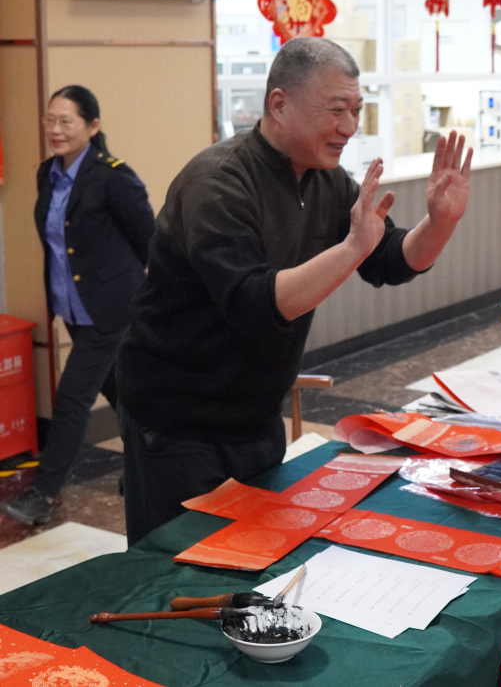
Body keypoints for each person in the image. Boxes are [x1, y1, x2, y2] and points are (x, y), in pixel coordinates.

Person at [115, 38, 473, 545]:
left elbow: (391, 260)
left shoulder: (327, 181)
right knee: (179, 567)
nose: (349, 127)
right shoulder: (218, 182)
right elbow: (254, 304)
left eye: (357, 110)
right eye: (336, 110)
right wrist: (351, 248)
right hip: (177, 423)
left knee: (255, 558)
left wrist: (440, 222)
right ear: (280, 104)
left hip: (256, 415)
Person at [1, 86, 155, 526]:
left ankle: (43, 493)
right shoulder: (47, 174)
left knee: (71, 399)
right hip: (72, 308)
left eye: (65, 121)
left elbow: (150, 241)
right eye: (50, 120)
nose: (55, 129)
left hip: (111, 309)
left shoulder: (112, 177)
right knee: (120, 392)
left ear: (92, 126)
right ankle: (151, 466)